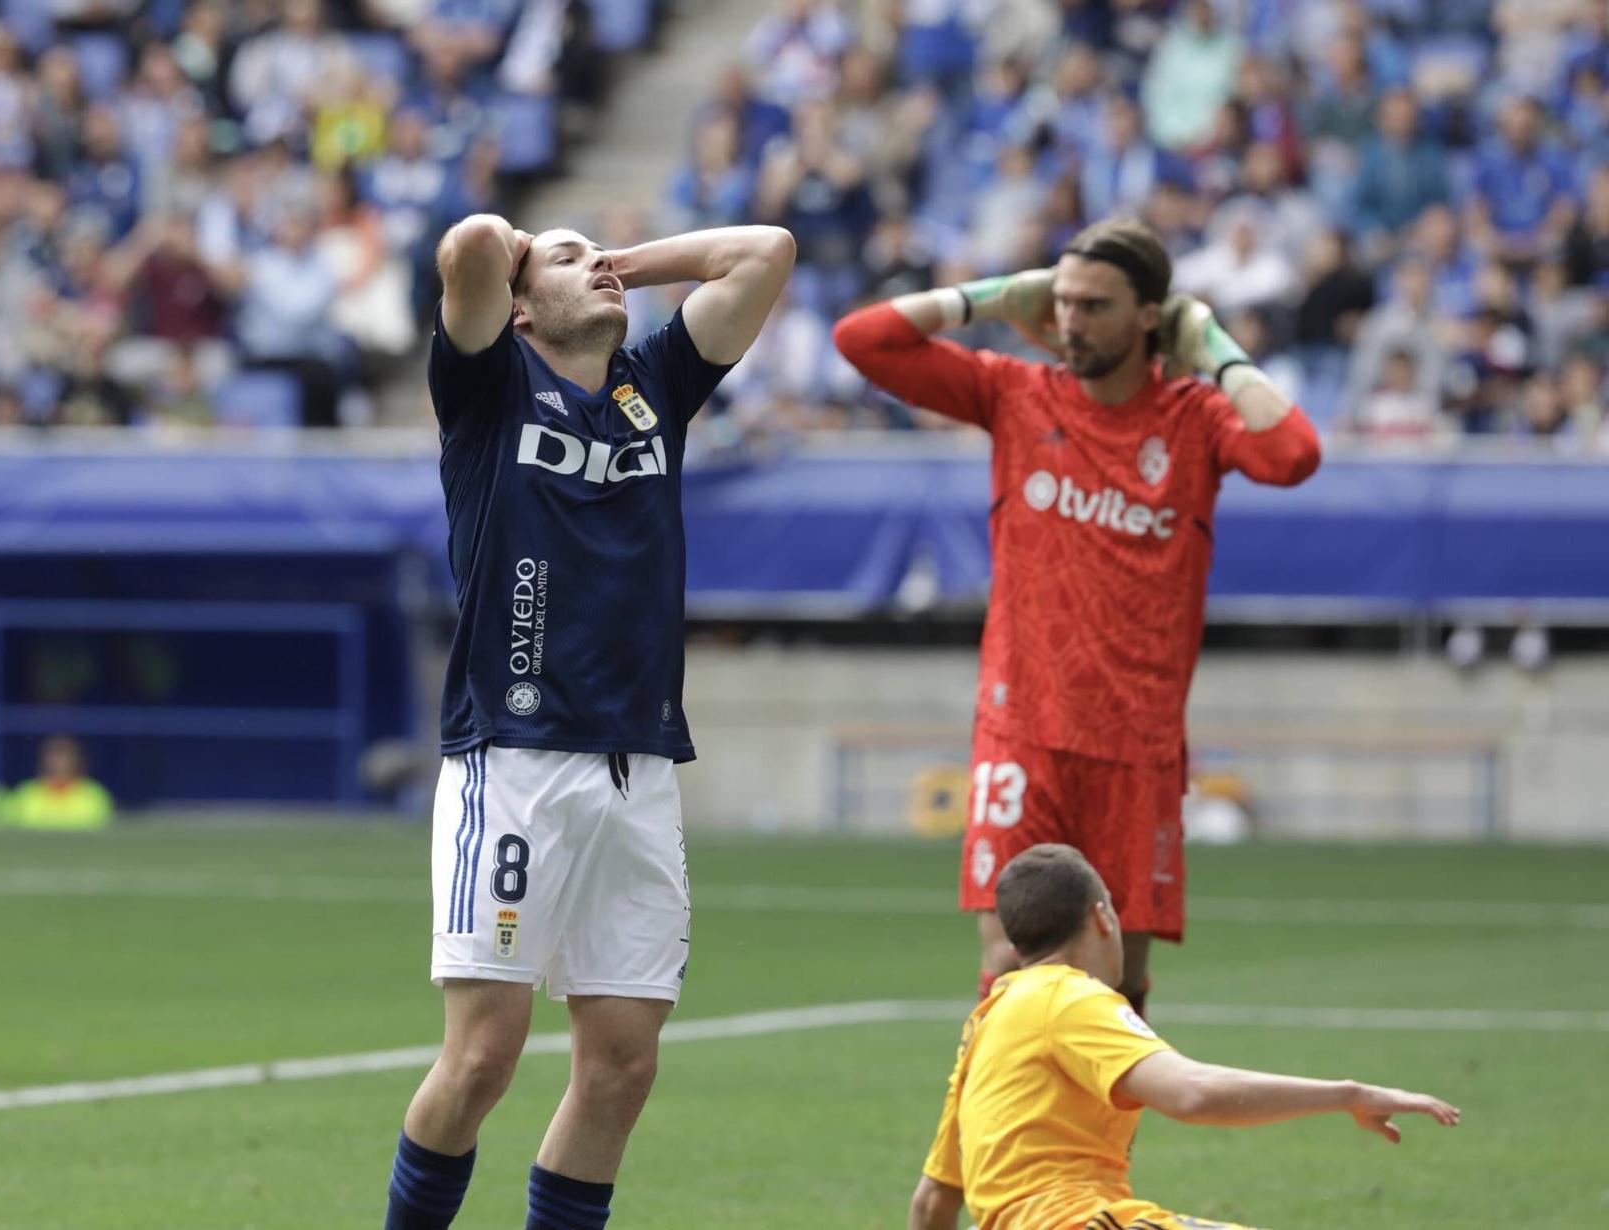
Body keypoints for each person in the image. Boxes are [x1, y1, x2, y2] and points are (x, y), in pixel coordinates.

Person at [382, 214, 793, 1229]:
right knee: (481, 1057)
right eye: (567, 260)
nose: (599, 269)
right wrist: (522, 247)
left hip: (638, 767)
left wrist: (614, 263)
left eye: (598, 258)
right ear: (520, 308)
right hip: (512, 761)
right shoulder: (487, 387)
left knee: (619, 1068)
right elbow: (469, 245)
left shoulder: (652, 388)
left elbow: (766, 250)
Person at [831, 218, 1321, 1017]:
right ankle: (990, 1140)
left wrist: (1214, 345)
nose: (1069, 322)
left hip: (1138, 745)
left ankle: (1096, 1148)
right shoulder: (1015, 392)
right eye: (1060, 303)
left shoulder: (1195, 420)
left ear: (1149, 317)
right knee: (1011, 962)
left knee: (1114, 984)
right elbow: (862, 340)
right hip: (1022, 726)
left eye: (1094, 306)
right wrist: (985, 298)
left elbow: (1294, 453)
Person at [908, 843, 1460, 1230]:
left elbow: (933, 1201)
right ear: (1103, 919)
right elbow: (1192, 1092)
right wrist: (1349, 1095)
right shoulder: (1072, 998)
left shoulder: (988, 1022)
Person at [7, 735, 113, 830]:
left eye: (64, 753)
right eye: (54, 753)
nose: (59, 761)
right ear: (43, 758)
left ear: (77, 758)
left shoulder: (95, 795)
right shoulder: (25, 794)